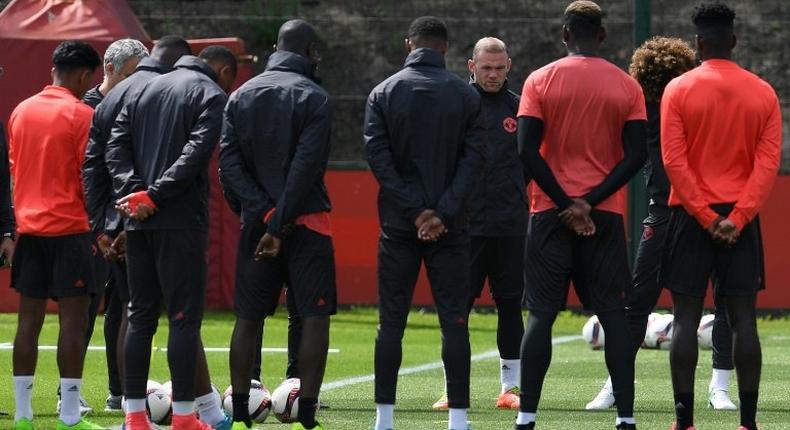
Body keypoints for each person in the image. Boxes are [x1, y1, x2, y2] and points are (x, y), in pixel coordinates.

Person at [585, 36, 738, 412]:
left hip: (682, 210)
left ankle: (618, 386)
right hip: (681, 210)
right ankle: (715, 386)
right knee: (718, 302)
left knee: (643, 302)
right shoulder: (644, 110)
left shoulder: (689, 105)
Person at [514, 1, 648, 429]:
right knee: (612, 315)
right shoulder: (627, 86)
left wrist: (565, 202)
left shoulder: (540, 79)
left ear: (564, 33)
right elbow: (636, 156)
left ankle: (527, 417)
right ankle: (625, 418)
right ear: (602, 36)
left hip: (549, 213)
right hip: (604, 215)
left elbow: (525, 151)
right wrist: (590, 202)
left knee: (541, 315)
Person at [660, 3, 782, 430]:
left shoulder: (677, 89)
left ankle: (684, 421)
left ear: (698, 43)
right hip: (740, 221)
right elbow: (767, 165)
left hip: (690, 218)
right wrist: (739, 216)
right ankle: (747, 423)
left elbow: (674, 162)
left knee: (686, 318)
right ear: (733, 40)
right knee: (744, 318)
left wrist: (706, 216)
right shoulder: (763, 92)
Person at [106, 46, 237, 430]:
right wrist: (156, 195)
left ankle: (133, 417)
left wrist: (135, 193)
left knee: (140, 316)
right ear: (223, 71)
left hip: (137, 220)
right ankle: (183, 418)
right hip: (179, 220)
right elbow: (196, 153)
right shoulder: (211, 93)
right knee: (183, 320)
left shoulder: (138, 89)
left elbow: (116, 146)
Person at [365, 16, 485, 430]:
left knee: (390, 323)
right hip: (450, 228)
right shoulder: (465, 96)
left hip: (399, 225)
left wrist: (415, 211)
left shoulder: (383, 92)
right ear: (446, 48)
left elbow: (378, 160)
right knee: (454, 321)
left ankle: (384, 419)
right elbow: (473, 161)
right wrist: (441, 212)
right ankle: (459, 419)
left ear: (408, 45)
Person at [219, 19, 335, 430]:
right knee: (314, 315)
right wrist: (281, 218)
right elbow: (306, 168)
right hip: (307, 221)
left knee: (248, 317)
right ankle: (306, 413)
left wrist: (263, 214)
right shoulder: (315, 97)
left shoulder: (240, 95)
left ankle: (239, 414)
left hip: (257, 223)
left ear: (275, 47)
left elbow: (228, 163)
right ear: (309, 52)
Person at [8, 40, 106, 430]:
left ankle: (22, 415)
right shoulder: (83, 115)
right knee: (72, 323)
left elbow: (16, 170)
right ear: (83, 75)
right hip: (71, 231)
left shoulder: (20, 111)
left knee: (27, 324)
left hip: (29, 232)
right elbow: (90, 180)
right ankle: (68, 415)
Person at [432, 36, 526, 412]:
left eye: (499, 68)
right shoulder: (455, 105)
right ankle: (453, 389)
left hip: (509, 225)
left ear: (509, 66)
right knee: (457, 308)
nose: (492, 74)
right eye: (485, 68)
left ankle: (512, 389)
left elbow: (531, 163)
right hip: (464, 228)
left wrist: (514, 195)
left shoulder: (520, 108)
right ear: (471, 66)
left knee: (510, 306)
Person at [77, 37, 149, 414]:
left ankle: (119, 390)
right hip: (91, 223)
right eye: (132, 74)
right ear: (110, 69)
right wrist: (97, 224)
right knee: (85, 307)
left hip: (122, 223)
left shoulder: (135, 107)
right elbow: (87, 173)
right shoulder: (87, 109)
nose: (139, 82)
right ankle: (67, 392)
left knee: (123, 308)